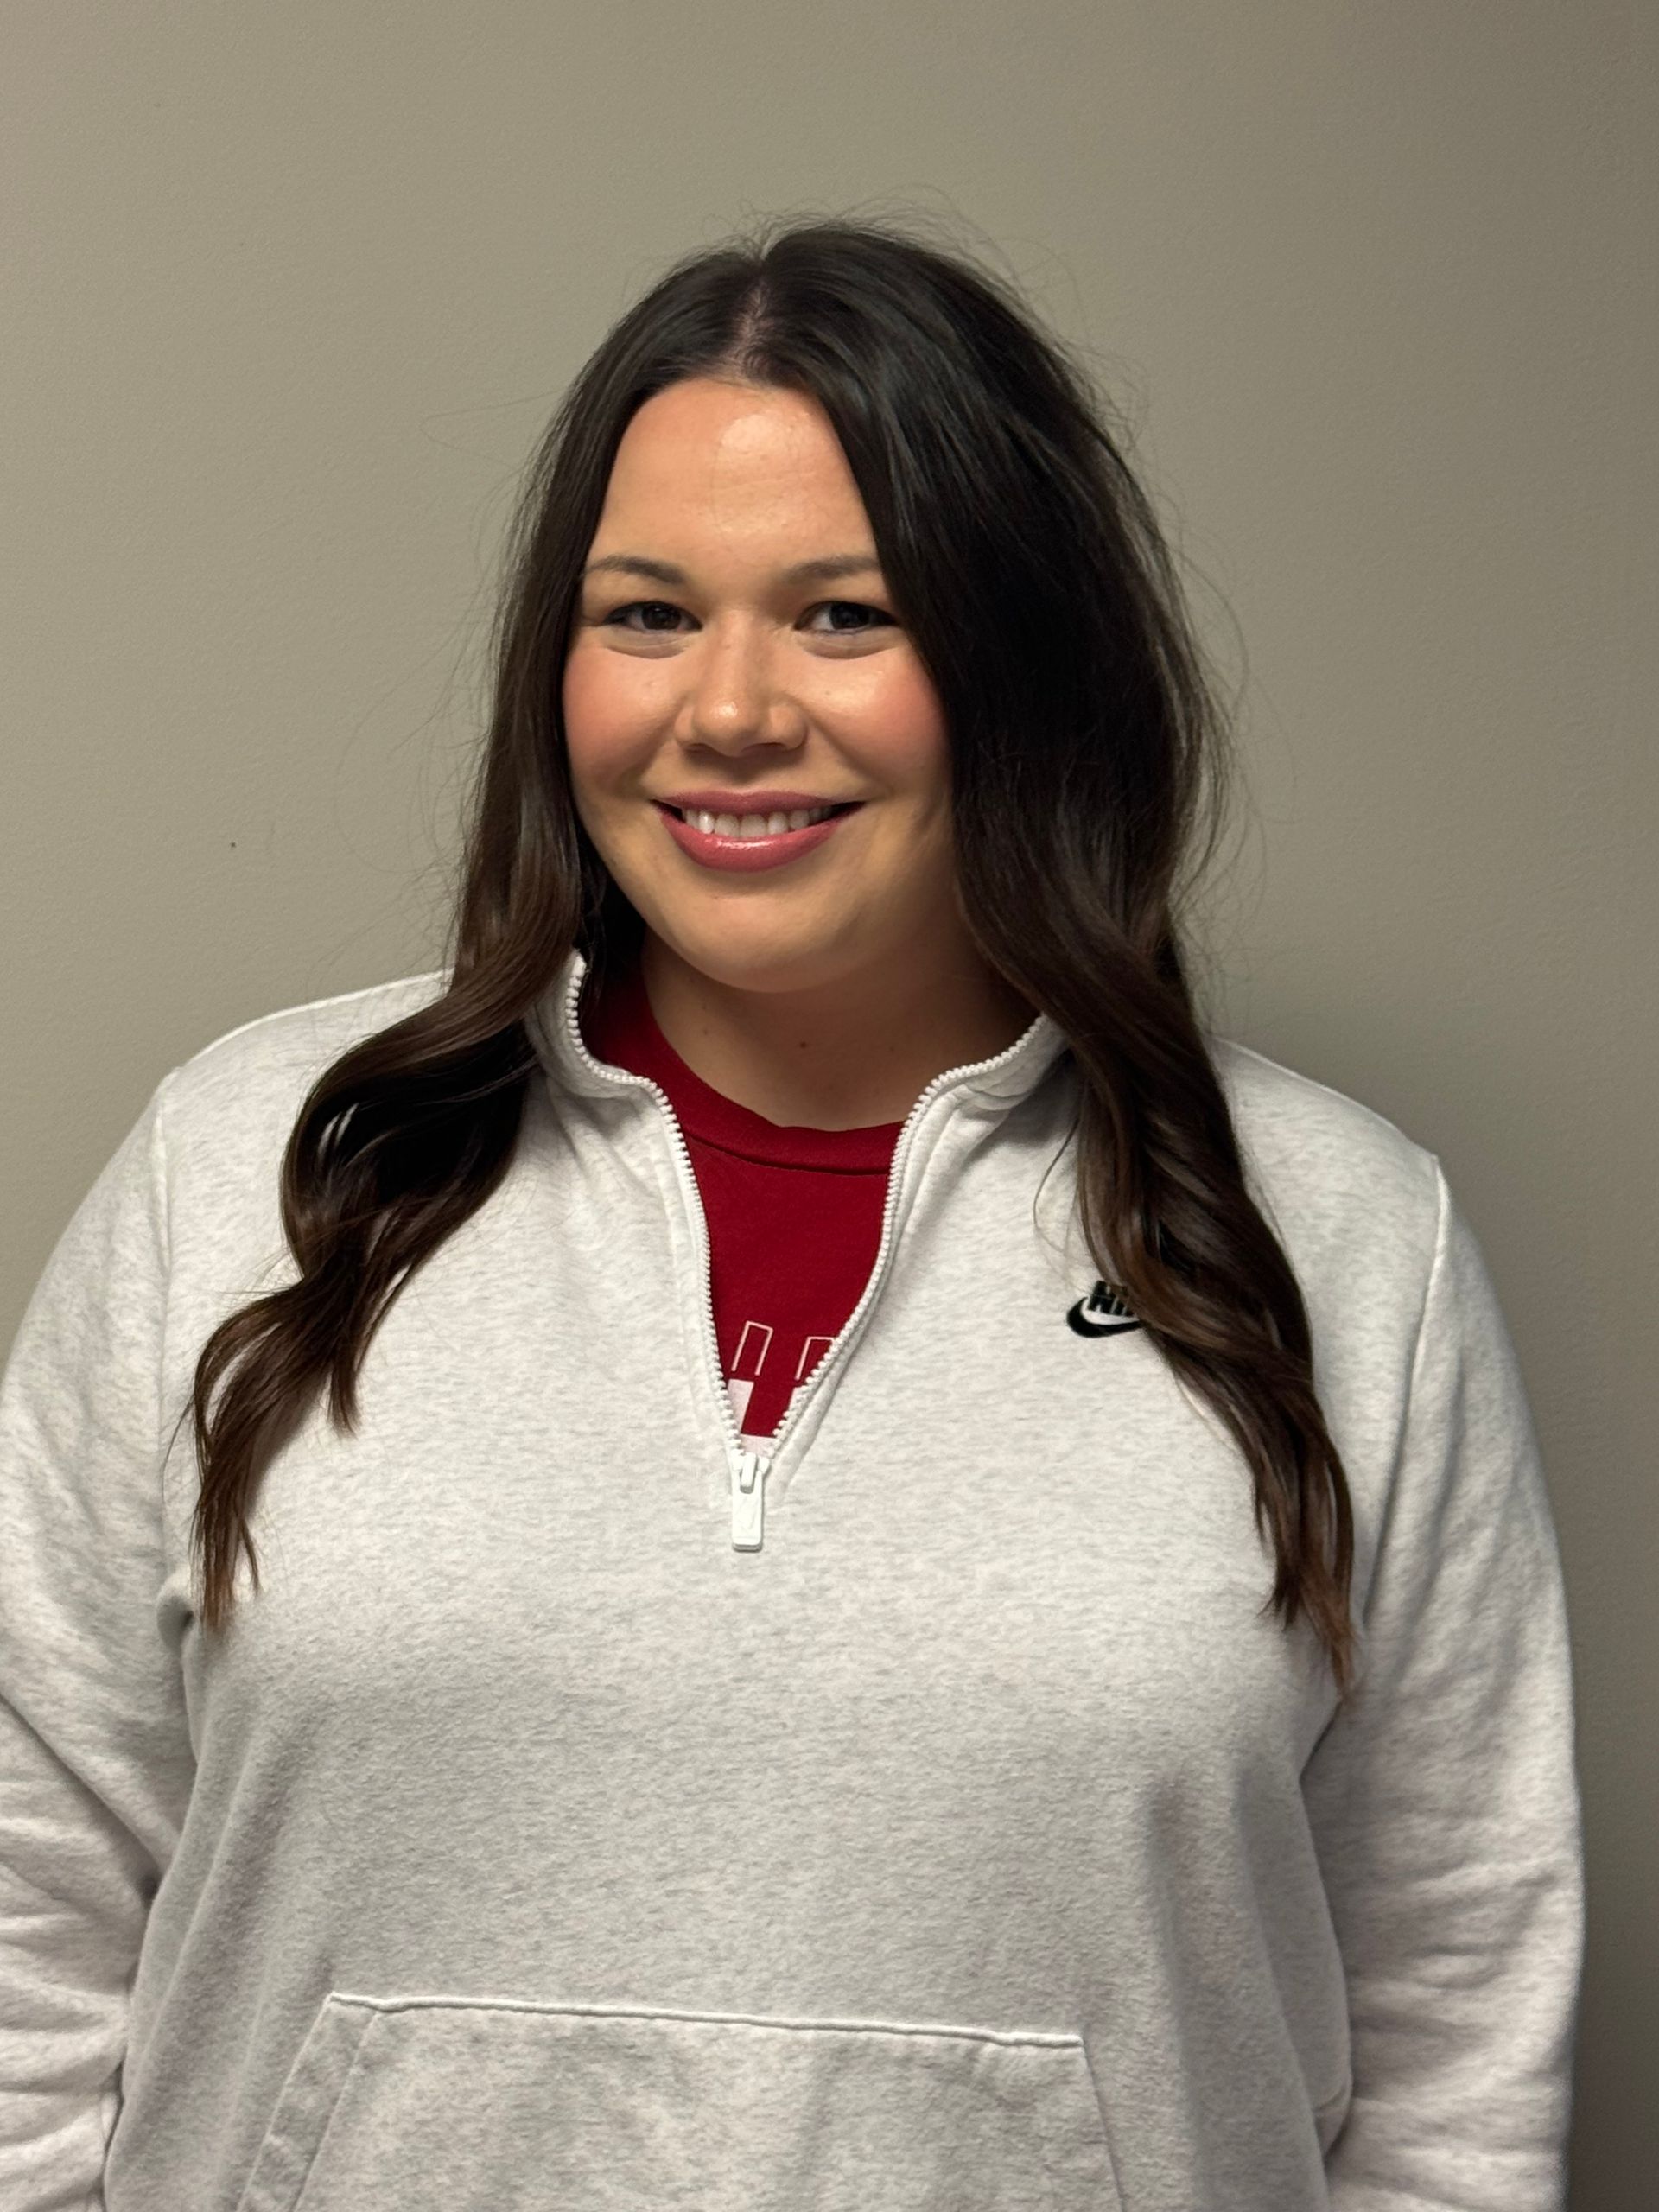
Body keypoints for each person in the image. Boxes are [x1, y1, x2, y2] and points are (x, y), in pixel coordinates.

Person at [0, 216, 1582, 2212]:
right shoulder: (245, 1166)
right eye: (648, 614)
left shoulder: (1347, 1244)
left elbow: (1455, 2024)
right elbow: (25, 1916)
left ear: (1024, 659)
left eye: (845, 615)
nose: (731, 709)